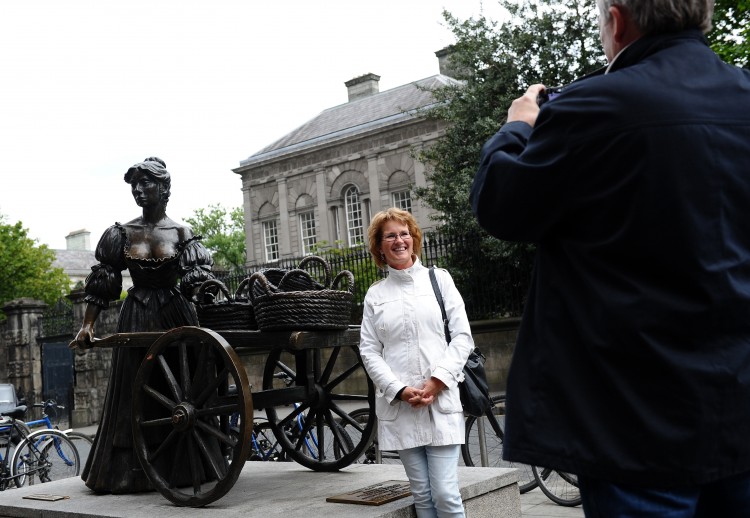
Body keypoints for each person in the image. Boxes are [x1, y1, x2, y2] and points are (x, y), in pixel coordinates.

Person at [470, 0, 750, 516]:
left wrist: (518, 125)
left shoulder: (596, 105)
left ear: (617, 20)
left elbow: (500, 206)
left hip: (633, 430)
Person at [70, 157, 215, 493]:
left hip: (175, 318)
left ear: (164, 188)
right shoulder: (121, 233)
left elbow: (196, 282)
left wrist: (205, 292)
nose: (138, 190)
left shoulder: (182, 232)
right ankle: (131, 472)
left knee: (181, 390)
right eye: (134, 184)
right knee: (135, 391)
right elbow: (104, 282)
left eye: (146, 182)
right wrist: (88, 325)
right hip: (136, 316)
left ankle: (183, 467)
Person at [358, 208, 474, 518]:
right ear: (379, 247)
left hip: (441, 402)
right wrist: (398, 389)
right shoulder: (375, 295)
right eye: (390, 236)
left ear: (414, 238)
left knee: (446, 495)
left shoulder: (440, 280)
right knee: (422, 497)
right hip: (402, 407)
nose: (399, 240)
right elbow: (369, 351)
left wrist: (436, 383)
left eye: (404, 233)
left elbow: (462, 337)